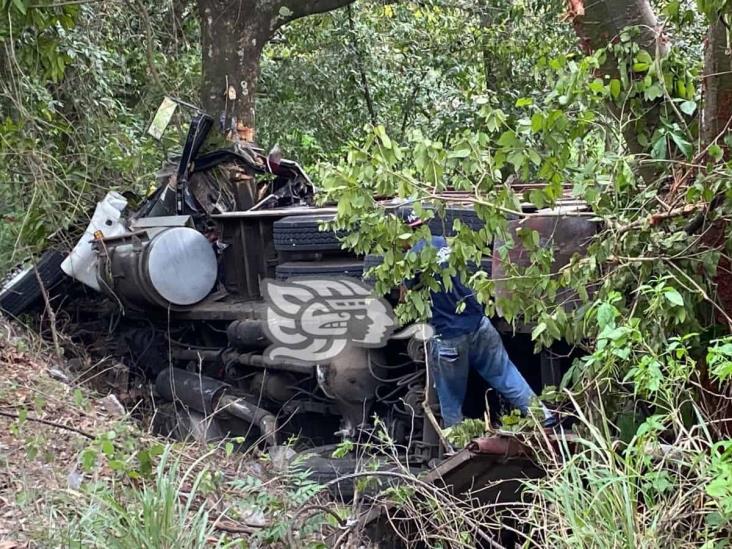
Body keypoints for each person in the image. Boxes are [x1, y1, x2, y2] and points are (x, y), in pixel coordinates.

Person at [403, 229, 550, 427]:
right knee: (506, 374)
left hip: (449, 338)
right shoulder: (448, 242)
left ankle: (456, 445)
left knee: (450, 399)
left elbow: (408, 294)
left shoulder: (413, 257)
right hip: (479, 325)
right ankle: (545, 417)